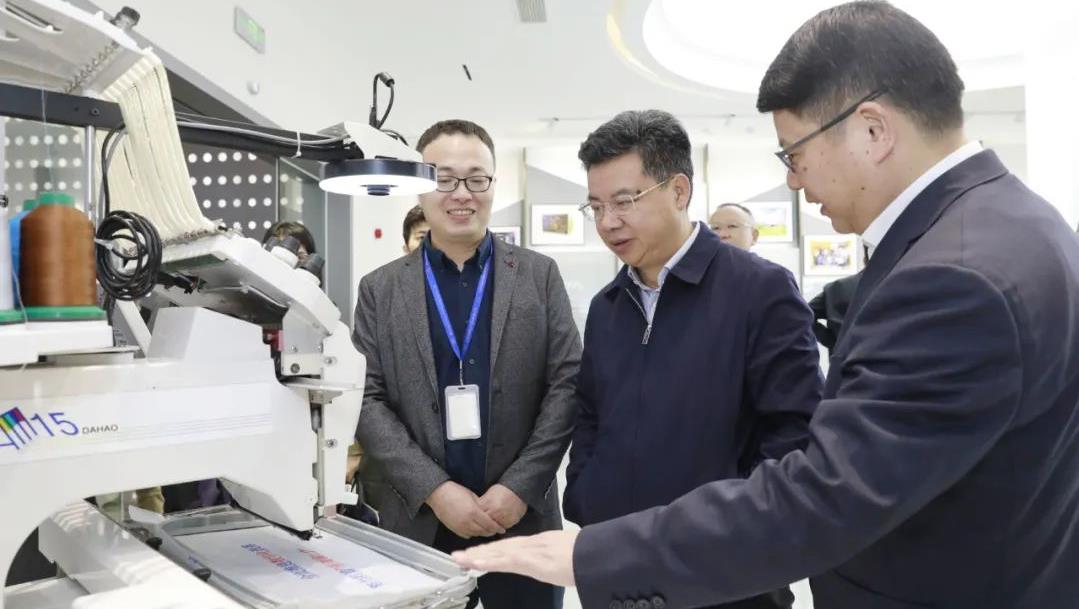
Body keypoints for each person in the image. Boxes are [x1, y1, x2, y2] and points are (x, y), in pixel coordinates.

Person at [452, 3, 1079, 609]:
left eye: (794, 153)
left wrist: (594, 555)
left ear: (873, 130)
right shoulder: (1013, 225)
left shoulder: (952, 275)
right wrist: (592, 504)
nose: (793, 180)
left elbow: (821, 488)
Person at [562, 109, 822, 609]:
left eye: (624, 201)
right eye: (595, 207)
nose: (608, 222)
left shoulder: (759, 290)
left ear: (678, 191)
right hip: (618, 568)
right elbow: (591, 416)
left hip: (725, 576)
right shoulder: (607, 307)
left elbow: (795, 433)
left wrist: (736, 533)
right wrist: (586, 497)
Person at [352, 119, 581, 609]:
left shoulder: (538, 275)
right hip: (418, 522)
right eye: (443, 178)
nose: (462, 194)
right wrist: (434, 490)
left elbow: (567, 384)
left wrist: (519, 487)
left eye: (477, 179)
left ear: (493, 184)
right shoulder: (380, 289)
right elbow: (367, 399)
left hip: (522, 523)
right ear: (419, 187)